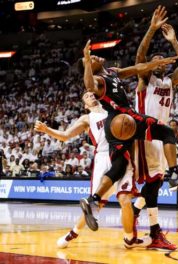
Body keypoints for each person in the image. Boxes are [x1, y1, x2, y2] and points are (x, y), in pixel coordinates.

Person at [79, 35, 178, 231]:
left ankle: (93, 199)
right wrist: (86, 59)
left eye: (94, 57)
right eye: (92, 59)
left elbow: (137, 68)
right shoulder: (99, 80)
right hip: (124, 120)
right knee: (167, 132)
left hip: (121, 124)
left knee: (119, 165)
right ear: (89, 68)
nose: (96, 57)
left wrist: (158, 62)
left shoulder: (113, 72)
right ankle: (174, 175)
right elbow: (89, 85)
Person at [34, 91, 150, 248]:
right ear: (85, 105)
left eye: (92, 94)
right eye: (87, 96)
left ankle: (129, 239)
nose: (91, 96)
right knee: (95, 205)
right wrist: (47, 130)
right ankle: (72, 233)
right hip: (103, 158)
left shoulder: (113, 110)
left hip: (122, 155)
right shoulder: (86, 119)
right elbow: (66, 135)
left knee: (125, 200)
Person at [132, 6, 178, 251]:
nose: (158, 62)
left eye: (161, 60)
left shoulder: (170, 81)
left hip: (162, 138)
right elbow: (140, 58)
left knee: (154, 184)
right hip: (146, 134)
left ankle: (135, 210)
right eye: (155, 60)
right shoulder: (144, 78)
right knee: (155, 182)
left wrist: (174, 41)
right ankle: (155, 232)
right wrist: (152, 29)